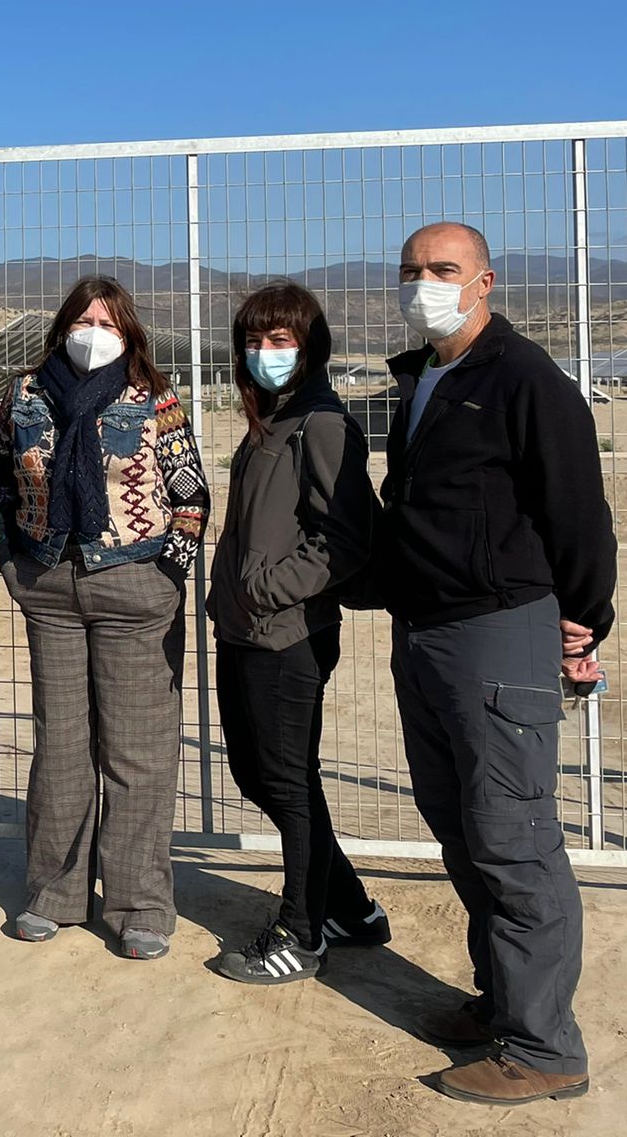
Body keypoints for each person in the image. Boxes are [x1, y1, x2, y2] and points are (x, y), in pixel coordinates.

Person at [378, 223, 613, 1105]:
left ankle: (545, 1048)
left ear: (484, 281)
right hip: (428, 633)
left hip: (498, 631)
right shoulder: (426, 377)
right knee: (464, 828)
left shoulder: (526, 382)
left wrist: (583, 622)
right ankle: (504, 1000)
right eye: (410, 272)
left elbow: (580, 518)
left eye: (442, 270)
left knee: (514, 839)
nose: (424, 284)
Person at [0, 276, 209, 960]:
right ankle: (55, 891)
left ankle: (140, 902)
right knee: (60, 746)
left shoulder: (153, 396)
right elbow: (0, 485)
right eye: (83, 318)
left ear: (128, 330)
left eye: (107, 320)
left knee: (135, 752)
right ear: (61, 326)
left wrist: (164, 574)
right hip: (51, 587)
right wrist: (12, 565)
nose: (94, 329)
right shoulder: (24, 393)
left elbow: (191, 492)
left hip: (133, 586)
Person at [206, 281, 390, 985]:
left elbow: (345, 539)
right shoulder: (273, 420)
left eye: (280, 340)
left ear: (310, 348)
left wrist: (265, 589)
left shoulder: (321, 423)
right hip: (247, 630)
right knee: (263, 776)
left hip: (286, 635)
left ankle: (302, 932)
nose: (265, 353)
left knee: (285, 782)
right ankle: (350, 910)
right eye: (254, 341)